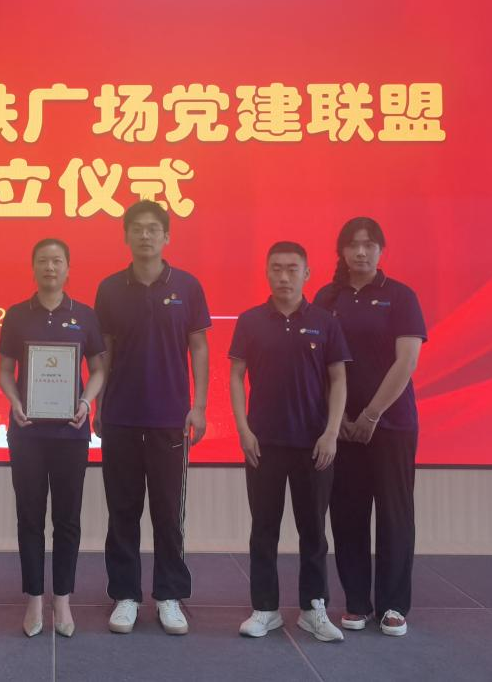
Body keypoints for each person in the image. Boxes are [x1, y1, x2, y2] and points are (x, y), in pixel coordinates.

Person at [94, 200, 210, 636]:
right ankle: (125, 594)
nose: (145, 235)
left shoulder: (187, 286)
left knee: (168, 511)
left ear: (166, 236)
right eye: (137, 229)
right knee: (122, 509)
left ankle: (169, 595)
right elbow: (103, 351)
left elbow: (199, 346)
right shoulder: (109, 288)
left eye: (153, 229)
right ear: (126, 236)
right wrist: (99, 403)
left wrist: (199, 406)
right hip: (120, 415)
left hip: (170, 417)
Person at [229, 241, 348, 643]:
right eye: (277, 268)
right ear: (267, 272)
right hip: (263, 443)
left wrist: (331, 432)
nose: (284, 276)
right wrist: (243, 430)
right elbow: (236, 375)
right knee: (264, 528)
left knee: (313, 530)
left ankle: (314, 608)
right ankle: (265, 609)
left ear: (307, 273)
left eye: (292, 268)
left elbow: (338, 379)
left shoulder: (325, 322)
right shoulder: (250, 321)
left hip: (313, 444)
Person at [315, 217, 427, 638]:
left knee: (394, 514)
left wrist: (372, 414)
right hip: (342, 426)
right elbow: (317, 362)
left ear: (381, 250)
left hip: (391, 424)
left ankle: (394, 604)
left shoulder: (400, 296)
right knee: (347, 513)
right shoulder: (327, 297)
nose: (361, 252)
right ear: (341, 251)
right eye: (352, 244)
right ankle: (357, 601)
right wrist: (341, 417)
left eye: (369, 244)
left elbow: (407, 361)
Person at [0, 238, 108, 638]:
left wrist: (86, 401)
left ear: (68, 268)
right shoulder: (16, 315)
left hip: (70, 433)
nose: (50, 267)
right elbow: (5, 371)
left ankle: (62, 598)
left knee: (67, 518)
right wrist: (14, 401)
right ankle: (33, 597)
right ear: (33, 267)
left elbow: (98, 369)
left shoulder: (85, 315)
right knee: (29, 517)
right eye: (43, 260)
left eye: (57, 261)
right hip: (27, 431)